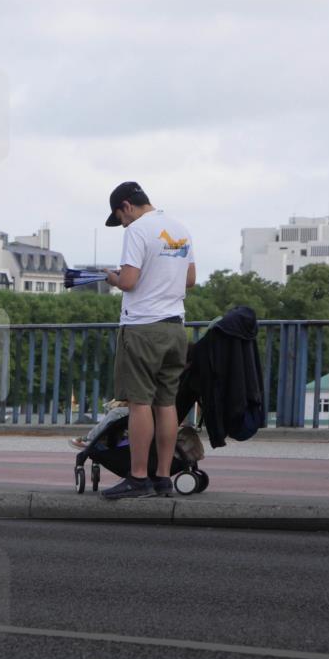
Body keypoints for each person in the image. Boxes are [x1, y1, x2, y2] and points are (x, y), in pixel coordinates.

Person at [100, 181, 196, 499]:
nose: (123, 224)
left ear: (127, 206)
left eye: (120, 217)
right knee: (166, 403)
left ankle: (138, 476)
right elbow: (191, 279)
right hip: (175, 327)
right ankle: (163, 477)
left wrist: (111, 276)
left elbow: (128, 281)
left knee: (139, 403)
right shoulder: (180, 229)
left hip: (142, 327)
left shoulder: (138, 230)